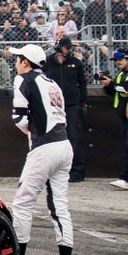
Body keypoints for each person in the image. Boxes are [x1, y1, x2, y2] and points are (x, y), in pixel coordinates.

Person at [10, 43, 75, 255]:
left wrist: (33, 134)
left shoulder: (23, 80)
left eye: (17, 59)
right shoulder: (52, 83)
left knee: (23, 202)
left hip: (44, 147)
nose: (15, 62)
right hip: (64, 144)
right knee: (59, 206)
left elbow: (19, 118)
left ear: (25, 62)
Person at [42, 36, 88, 182]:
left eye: (70, 48)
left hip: (72, 104)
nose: (69, 50)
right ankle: (53, 170)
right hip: (53, 105)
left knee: (74, 135)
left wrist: (84, 102)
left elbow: (82, 83)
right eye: (67, 47)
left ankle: (77, 170)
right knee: (52, 136)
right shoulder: (48, 62)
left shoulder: (76, 62)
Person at [98, 50, 128, 189]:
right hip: (123, 115)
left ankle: (126, 178)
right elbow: (115, 91)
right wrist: (108, 85)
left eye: (121, 59)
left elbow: (126, 89)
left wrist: (113, 84)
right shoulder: (121, 74)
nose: (118, 62)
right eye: (117, 60)